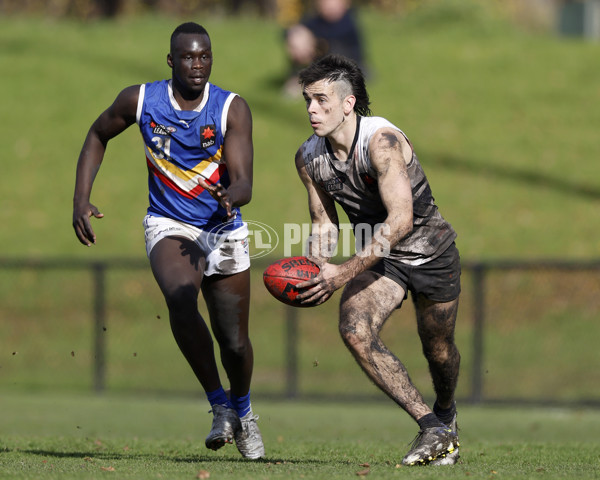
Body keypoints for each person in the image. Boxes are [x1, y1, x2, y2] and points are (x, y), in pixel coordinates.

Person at [72, 22, 265, 460]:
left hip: (223, 228)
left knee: (234, 341)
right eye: (188, 57)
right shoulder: (140, 100)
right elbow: (98, 134)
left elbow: (245, 182)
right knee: (180, 296)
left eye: (204, 56)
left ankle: (244, 412)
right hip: (169, 223)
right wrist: (81, 198)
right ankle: (219, 404)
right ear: (171, 60)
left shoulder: (231, 108)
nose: (197, 65)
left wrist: (231, 195)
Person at [293, 54, 462, 466]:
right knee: (354, 328)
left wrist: (343, 272)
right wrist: (317, 270)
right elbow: (323, 225)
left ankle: (445, 412)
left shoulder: (380, 142)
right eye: (307, 100)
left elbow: (401, 220)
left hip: (431, 253)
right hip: (384, 262)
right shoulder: (308, 158)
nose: (312, 110)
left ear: (348, 104)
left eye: (321, 100)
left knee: (438, 350)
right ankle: (432, 428)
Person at [283, 0, 365, 97]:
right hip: (321, 66)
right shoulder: (317, 21)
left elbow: (333, 37)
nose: (329, 6)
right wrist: (296, 34)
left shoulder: (348, 22)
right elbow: (288, 31)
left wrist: (311, 40)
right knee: (298, 39)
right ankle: (299, 76)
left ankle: (306, 80)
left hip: (348, 69)